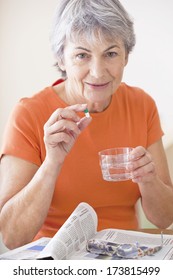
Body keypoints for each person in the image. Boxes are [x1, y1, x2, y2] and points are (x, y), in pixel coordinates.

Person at [0, 0, 173, 250]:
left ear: (126, 56)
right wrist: (52, 163)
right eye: (82, 55)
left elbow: (165, 218)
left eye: (110, 54)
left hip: (124, 257)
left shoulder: (142, 105)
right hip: (55, 260)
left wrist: (149, 180)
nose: (98, 72)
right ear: (61, 59)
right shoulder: (29, 113)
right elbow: (12, 236)